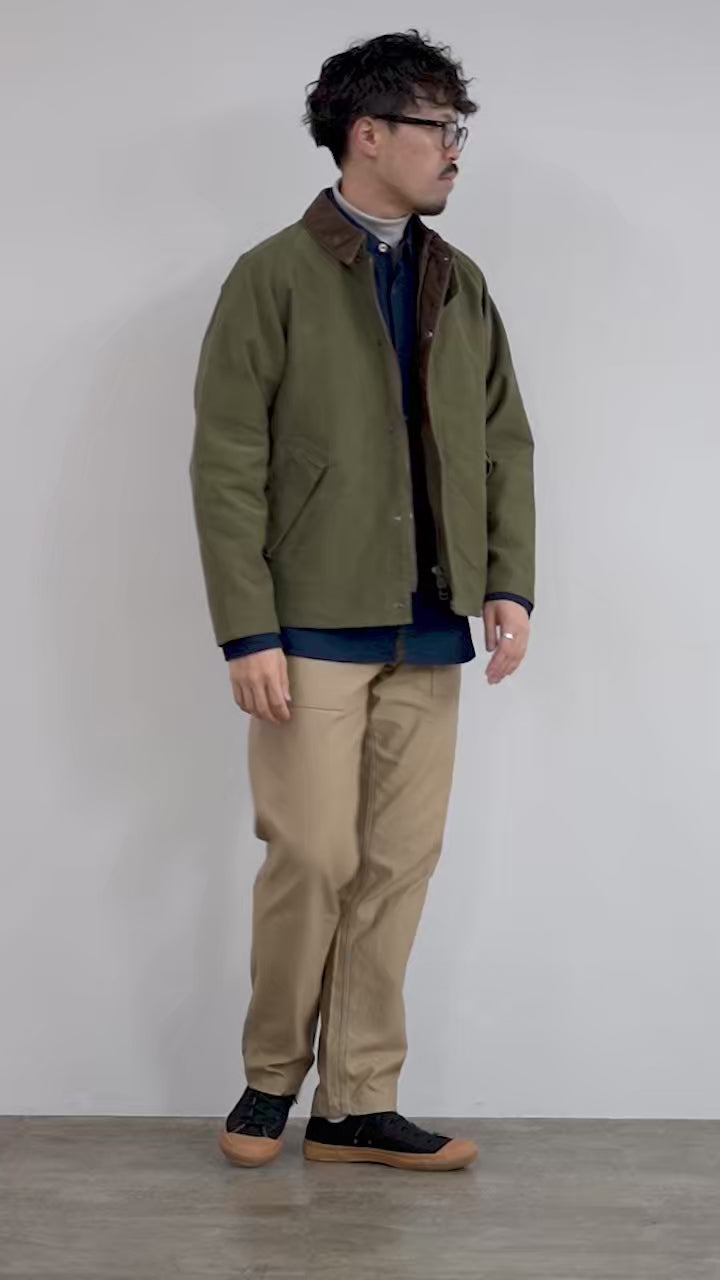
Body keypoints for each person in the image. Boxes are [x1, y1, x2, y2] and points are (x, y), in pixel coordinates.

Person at [189, 28, 535, 1173]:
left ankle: (356, 1102)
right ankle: (269, 1078)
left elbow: (504, 441)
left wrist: (508, 581)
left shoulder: (458, 280)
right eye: (438, 127)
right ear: (368, 133)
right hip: (311, 623)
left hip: (431, 624)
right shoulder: (273, 275)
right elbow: (227, 459)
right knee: (311, 853)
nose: (455, 149)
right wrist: (247, 626)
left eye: (457, 128)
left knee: (399, 863)